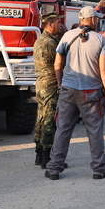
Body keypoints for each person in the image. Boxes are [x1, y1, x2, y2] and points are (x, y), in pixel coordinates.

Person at [45, 6, 105, 180]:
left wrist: (61, 84)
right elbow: (104, 69)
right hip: (90, 92)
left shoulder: (67, 36)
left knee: (63, 129)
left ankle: (54, 168)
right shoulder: (100, 39)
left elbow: (57, 64)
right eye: (96, 18)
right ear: (91, 19)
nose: (97, 21)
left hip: (68, 90)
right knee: (94, 131)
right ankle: (99, 168)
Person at [32, 12, 64, 167]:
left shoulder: (40, 40)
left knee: (41, 118)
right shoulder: (50, 43)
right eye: (58, 22)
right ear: (50, 24)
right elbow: (60, 64)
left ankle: (39, 153)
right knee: (50, 120)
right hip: (51, 85)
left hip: (41, 84)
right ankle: (47, 157)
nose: (60, 25)